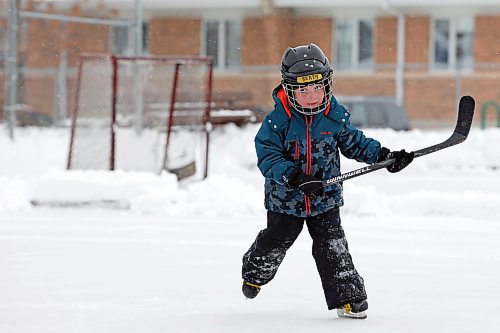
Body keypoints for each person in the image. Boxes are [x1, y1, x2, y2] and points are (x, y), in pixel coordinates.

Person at [241, 43, 414, 319]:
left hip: (325, 199)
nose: (311, 96)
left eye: (317, 88)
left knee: (333, 245)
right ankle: (254, 272)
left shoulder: (333, 117)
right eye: (303, 90)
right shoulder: (277, 122)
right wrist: (295, 176)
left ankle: (349, 297)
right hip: (286, 200)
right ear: (289, 88)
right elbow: (268, 157)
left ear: (327, 84)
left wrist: (384, 156)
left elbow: (355, 144)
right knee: (276, 240)